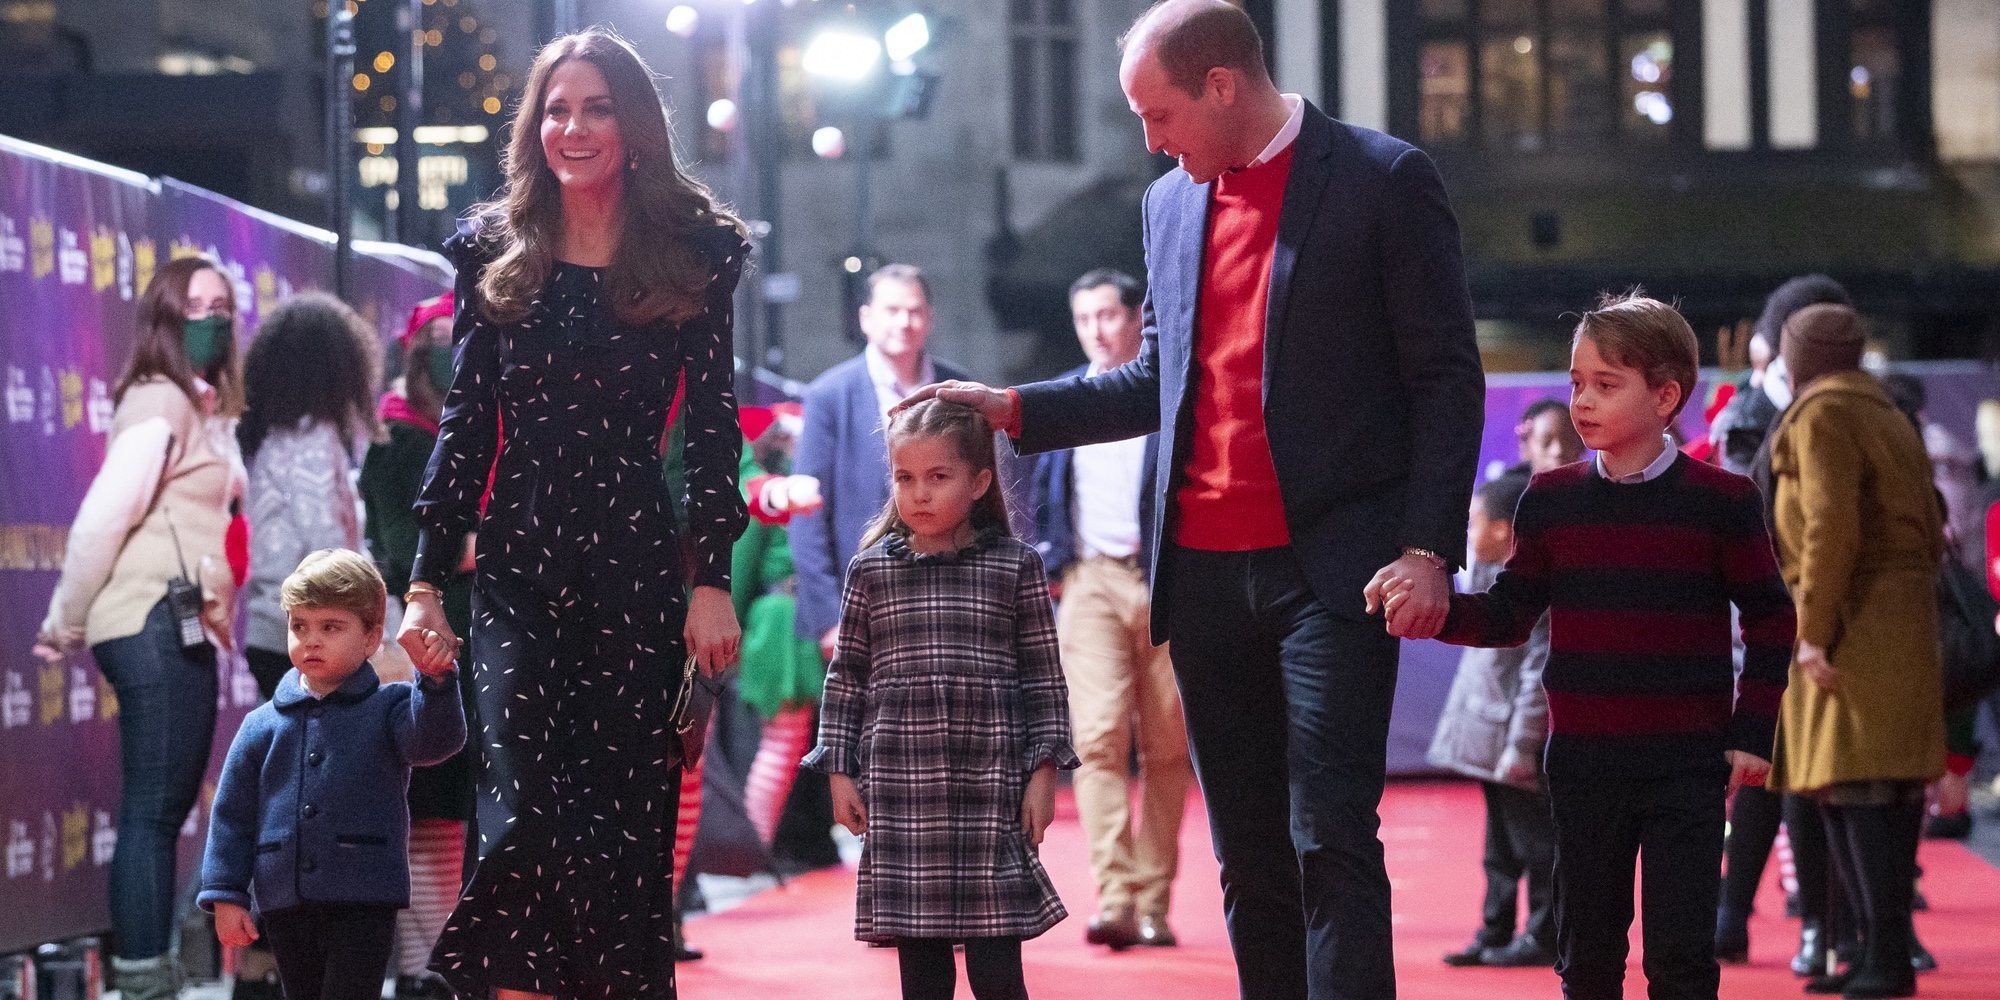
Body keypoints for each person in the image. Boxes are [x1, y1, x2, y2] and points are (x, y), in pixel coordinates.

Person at [900, 3, 1485, 995]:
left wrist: (1427, 547)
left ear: (1222, 84)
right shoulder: (1169, 204)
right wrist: (1012, 407)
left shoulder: (1383, 179)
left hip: (1333, 572)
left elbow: (1444, 377)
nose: (1148, 139)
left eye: (1156, 112)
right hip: (1204, 578)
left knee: (1330, 835)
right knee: (1247, 851)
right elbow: (1154, 384)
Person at [394, 27, 749, 1000]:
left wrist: (709, 576)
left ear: (632, 126)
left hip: (634, 565)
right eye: (555, 108)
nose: (573, 126)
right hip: (519, 562)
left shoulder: (696, 252)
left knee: (623, 823)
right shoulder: (492, 249)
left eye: (595, 107)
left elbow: (713, 428)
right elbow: (465, 421)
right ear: (533, 125)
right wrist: (425, 582)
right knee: (519, 807)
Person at [1386, 292, 1796, 1000]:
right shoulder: (1549, 499)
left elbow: (1770, 617)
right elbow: (1512, 615)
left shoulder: (1723, 501)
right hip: (1582, 767)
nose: (1583, 400)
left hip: (1687, 768)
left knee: (1682, 961)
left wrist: (1752, 733)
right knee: (1587, 958)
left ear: (1666, 396)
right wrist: (1437, 613)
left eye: (1607, 385)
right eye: (1577, 383)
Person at [803, 399, 1078, 1000]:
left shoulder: (1016, 567)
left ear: (979, 482)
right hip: (902, 793)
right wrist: (838, 771)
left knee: (997, 971)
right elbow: (846, 678)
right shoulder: (871, 572)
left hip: (991, 789)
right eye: (905, 478)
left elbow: (1043, 678)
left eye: (938, 477)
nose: (920, 494)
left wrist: (1043, 774)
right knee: (922, 972)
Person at [31, 256, 246, 1000]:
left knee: (164, 809)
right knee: (155, 813)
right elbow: (103, 516)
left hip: (171, 620)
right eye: (195, 306)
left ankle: (148, 974)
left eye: (222, 305)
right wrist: (65, 615)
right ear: (163, 316)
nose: (212, 319)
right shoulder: (160, 400)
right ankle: (145, 982)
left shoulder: (196, 403)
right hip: (150, 617)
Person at [1766, 303, 1946, 1000]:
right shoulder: (1888, 412)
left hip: (1845, 619)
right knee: (1889, 792)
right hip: (1898, 617)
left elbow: (1829, 526)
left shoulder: (1822, 415)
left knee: (1852, 788)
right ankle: (1879, 952)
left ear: (1798, 356)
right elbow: (1934, 524)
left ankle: (1879, 957)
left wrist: (1813, 631)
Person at [198, 550, 466, 1000]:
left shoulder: (391, 707)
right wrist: (226, 894)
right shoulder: (261, 724)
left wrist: (436, 683)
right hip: (284, 900)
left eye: (331, 627)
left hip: (366, 898)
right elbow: (232, 816)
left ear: (371, 638)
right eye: (299, 626)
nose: (311, 640)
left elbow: (435, 743)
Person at [1029, 268, 1188, 950]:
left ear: (1136, 318)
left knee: (1167, 745)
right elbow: (1037, 488)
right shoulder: (1069, 397)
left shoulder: (1170, 392)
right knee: (1094, 741)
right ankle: (1115, 896)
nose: (1096, 330)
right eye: (1083, 318)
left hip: (1167, 580)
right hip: (1088, 580)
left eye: (1108, 316)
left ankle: (1154, 901)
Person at [357, 291, 477, 1000]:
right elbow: (406, 551)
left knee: (450, 809)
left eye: (454, 336)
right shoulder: (396, 438)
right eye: (434, 336)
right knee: (427, 808)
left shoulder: (464, 431)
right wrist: (500, 544)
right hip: (417, 650)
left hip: (462, 648)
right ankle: (423, 970)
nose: (445, 348)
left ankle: (438, 965)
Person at [1428, 472, 1556, 970]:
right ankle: (1494, 928)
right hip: (1487, 737)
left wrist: (1522, 748)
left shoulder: (1535, 591)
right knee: (1498, 850)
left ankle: (1543, 934)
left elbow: (1536, 676)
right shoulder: (1486, 575)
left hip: (1513, 743)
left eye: (1474, 522)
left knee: (1538, 847)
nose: (1467, 531)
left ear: (1505, 532)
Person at [238, 291, 379, 698]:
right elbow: (329, 548)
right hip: (311, 635)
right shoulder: (309, 441)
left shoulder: (280, 439)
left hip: (284, 629)